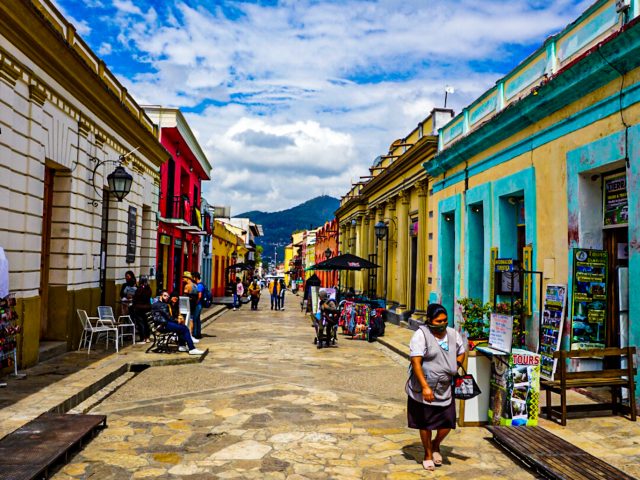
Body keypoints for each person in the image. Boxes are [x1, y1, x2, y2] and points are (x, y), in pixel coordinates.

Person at [406, 303, 466, 471]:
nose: (442, 324)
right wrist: (425, 387)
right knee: (425, 422)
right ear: (430, 320)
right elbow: (416, 362)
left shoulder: (453, 334)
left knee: (447, 422)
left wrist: (457, 364)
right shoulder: (421, 335)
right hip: (424, 387)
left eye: (445, 320)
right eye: (439, 321)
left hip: (445, 388)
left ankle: (435, 444)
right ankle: (427, 453)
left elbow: (462, 350)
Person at [151, 290, 203, 355]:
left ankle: (182, 346)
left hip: (161, 324)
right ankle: (192, 348)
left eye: (167, 296)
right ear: (160, 296)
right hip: (163, 325)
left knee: (181, 328)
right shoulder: (163, 305)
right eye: (165, 296)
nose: (167, 297)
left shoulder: (157, 304)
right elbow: (169, 317)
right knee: (185, 329)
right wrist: (177, 321)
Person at [131, 275, 152, 343]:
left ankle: (142, 338)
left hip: (139, 308)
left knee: (141, 323)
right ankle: (147, 337)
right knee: (146, 323)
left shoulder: (140, 289)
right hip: (147, 307)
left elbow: (136, 298)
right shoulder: (149, 289)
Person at [191, 272, 205, 339]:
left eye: (193, 277)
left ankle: (195, 333)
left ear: (195, 277)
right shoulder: (200, 284)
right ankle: (198, 333)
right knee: (197, 319)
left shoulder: (199, 285)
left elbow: (199, 295)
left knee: (195, 319)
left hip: (198, 304)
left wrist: (196, 302)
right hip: (199, 304)